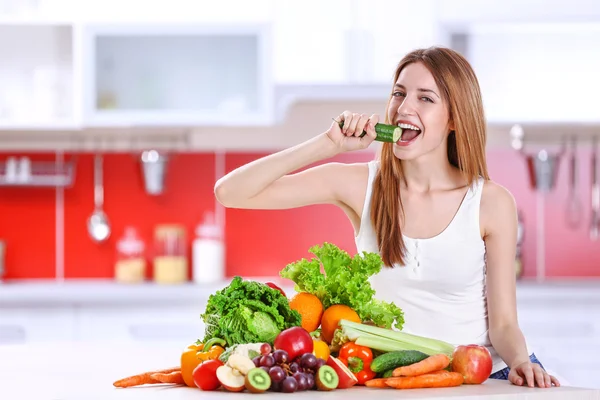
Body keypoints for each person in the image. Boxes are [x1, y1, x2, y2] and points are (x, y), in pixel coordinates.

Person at [214, 46, 560, 388]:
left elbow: (503, 324)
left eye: (425, 98)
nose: (404, 107)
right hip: (393, 380)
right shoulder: (360, 185)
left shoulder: (491, 202)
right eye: (399, 93)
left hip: (483, 377)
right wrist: (327, 144)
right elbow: (230, 192)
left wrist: (520, 363)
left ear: (454, 118)